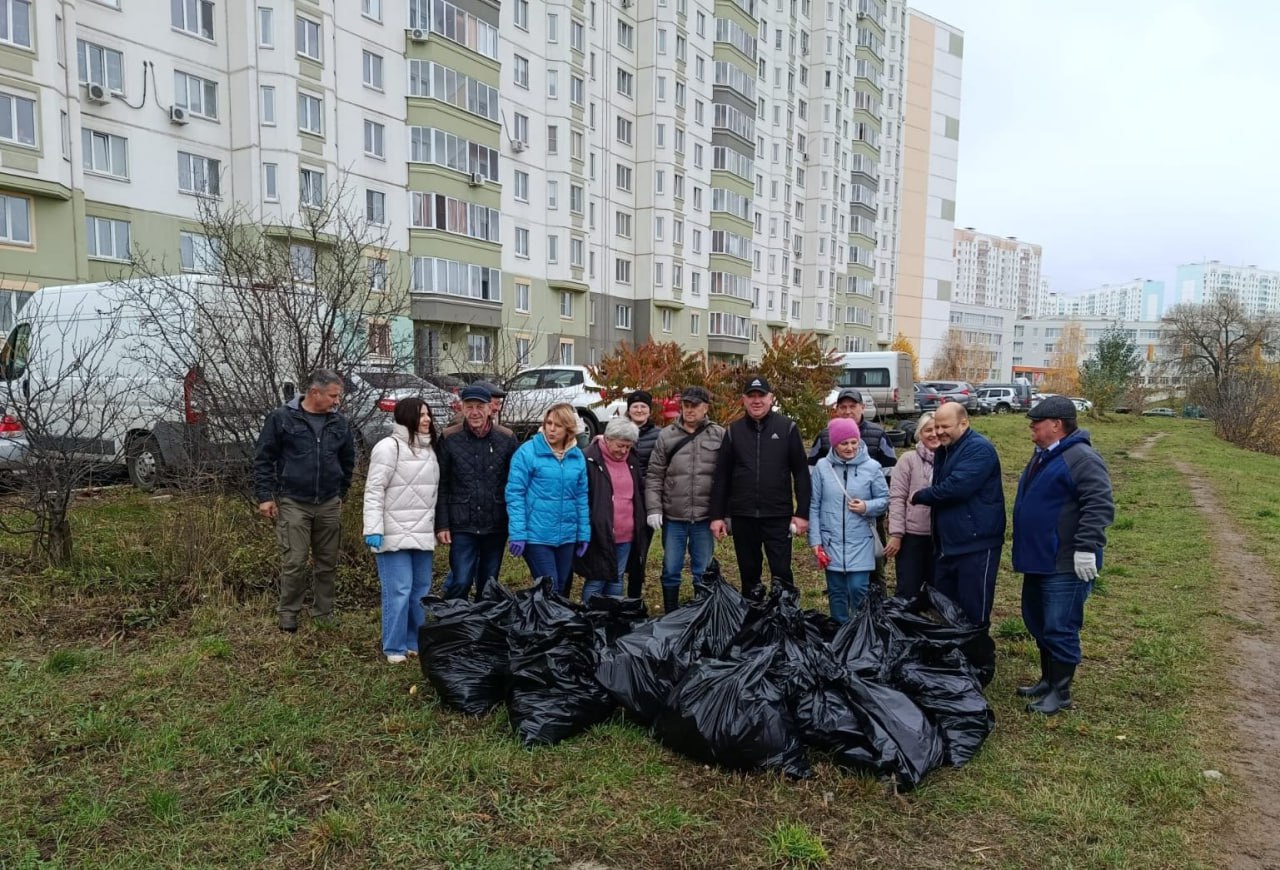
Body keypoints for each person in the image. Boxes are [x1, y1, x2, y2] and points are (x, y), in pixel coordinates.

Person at [1012, 395, 1115, 715]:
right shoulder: (1044, 454)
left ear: (1056, 425)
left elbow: (1099, 504)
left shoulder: (1082, 458)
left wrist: (1086, 547)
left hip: (1065, 561)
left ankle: (1061, 692)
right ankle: (1047, 679)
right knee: (1038, 621)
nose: (1031, 426)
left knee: (1060, 625)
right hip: (1040, 559)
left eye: (1037, 422)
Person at [253, 370, 356, 633]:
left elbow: (348, 462)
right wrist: (265, 496)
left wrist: (340, 493)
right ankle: (289, 613)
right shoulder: (282, 419)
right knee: (295, 562)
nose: (337, 401)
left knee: (327, 562)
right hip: (294, 502)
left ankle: (324, 612)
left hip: (329, 503)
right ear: (314, 393)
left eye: (338, 396)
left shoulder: (339, 423)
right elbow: (264, 459)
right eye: (333, 396)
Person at [710, 376, 811, 600]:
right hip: (743, 516)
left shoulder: (787, 428)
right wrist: (717, 516)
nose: (756, 401)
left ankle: (784, 620)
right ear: (743, 400)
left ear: (771, 398)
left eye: (761, 396)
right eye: (751, 396)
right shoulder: (733, 431)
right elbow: (722, 476)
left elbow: (801, 473)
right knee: (749, 574)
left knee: (782, 573)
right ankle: (753, 621)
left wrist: (802, 513)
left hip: (777, 515)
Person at [909, 401, 1005, 626]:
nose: (939, 432)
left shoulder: (979, 449)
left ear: (964, 423)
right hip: (949, 544)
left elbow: (956, 488)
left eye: (945, 427)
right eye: (937, 426)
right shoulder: (946, 450)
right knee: (947, 607)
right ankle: (954, 656)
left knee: (973, 609)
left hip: (976, 544)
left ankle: (977, 657)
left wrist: (919, 495)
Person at [362, 397, 440, 663]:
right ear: (406, 417)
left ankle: (413, 640)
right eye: (421, 415)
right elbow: (374, 490)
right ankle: (393, 646)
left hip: (422, 532)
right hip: (392, 533)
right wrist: (373, 528)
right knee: (399, 591)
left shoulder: (430, 449)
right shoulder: (388, 447)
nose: (427, 419)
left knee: (420, 591)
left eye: (428, 414)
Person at [645, 385, 726, 612]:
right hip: (674, 516)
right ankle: (671, 613)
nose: (690, 410)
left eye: (695, 406)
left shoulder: (718, 435)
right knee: (671, 568)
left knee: (702, 569)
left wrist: (724, 515)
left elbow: (728, 478)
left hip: (704, 517)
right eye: (686, 405)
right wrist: (654, 508)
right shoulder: (667, 435)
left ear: (705, 407)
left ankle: (699, 613)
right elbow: (654, 474)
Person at [437, 384, 519, 600]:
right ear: (462, 408)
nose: (474, 412)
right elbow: (442, 484)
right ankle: (455, 624)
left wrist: (516, 523)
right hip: (462, 521)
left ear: (490, 408)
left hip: (495, 522)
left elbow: (516, 483)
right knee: (461, 580)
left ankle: (482, 626)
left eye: (479, 407)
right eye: (469, 406)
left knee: (488, 584)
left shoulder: (506, 438)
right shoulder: (449, 438)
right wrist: (443, 524)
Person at [808, 418, 889, 621]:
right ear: (835, 444)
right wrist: (816, 541)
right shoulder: (822, 467)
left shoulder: (872, 467)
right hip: (831, 541)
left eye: (854, 442)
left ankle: (860, 631)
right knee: (836, 591)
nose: (850, 447)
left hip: (860, 540)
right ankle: (839, 632)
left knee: (858, 588)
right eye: (844, 443)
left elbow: (885, 499)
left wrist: (866, 507)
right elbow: (814, 505)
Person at [505, 402, 590, 595]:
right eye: (548, 423)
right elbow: (515, 494)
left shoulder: (577, 457)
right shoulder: (527, 452)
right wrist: (518, 533)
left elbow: (581, 497)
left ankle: (550, 624)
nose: (551, 429)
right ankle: (545, 624)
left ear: (569, 429)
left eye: (558, 425)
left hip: (567, 535)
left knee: (561, 588)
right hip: (537, 535)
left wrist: (583, 533)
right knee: (550, 588)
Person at [576, 418, 645, 602]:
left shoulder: (632, 459)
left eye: (628, 447)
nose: (623, 451)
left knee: (617, 576)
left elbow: (638, 492)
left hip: (627, 533)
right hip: (599, 532)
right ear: (607, 439)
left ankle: (613, 618)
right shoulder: (588, 458)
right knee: (597, 578)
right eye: (620, 446)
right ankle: (590, 618)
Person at [884, 412, 939, 599]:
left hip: (941, 537)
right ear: (919, 434)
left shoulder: (950, 459)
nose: (933, 434)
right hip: (912, 535)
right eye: (927, 430)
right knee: (908, 589)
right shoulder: (908, 460)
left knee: (936, 590)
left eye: (936, 429)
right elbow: (897, 497)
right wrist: (896, 534)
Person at [624, 391, 660, 597]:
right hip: (620, 499)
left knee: (640, 549)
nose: (639, 410)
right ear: (629, 409)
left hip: (645, 499)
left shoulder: (659, 434)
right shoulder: (617, 430)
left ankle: (634, 597)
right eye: (635, 406)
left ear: (649, 411)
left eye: (643, 407)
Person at [808, 388, 896, 469]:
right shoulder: (824, 436)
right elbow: (812, 469)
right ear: (837, 409)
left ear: (862, 408)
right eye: (843, 407)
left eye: (852, 406)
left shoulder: (878, 435)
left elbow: (889, 470)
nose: (847, 412)